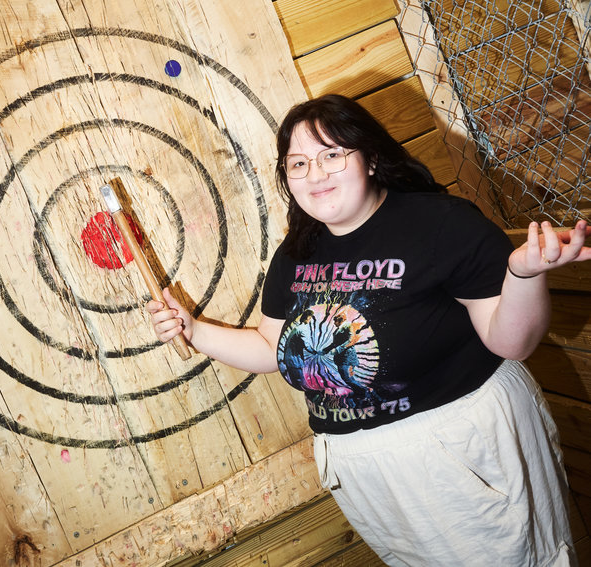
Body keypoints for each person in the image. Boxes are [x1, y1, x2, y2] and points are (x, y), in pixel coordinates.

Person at [147, 94, 590, 566]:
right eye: (297, 163)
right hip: (363, 470)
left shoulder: (442, 224)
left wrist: (524, 275)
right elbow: (270, 347)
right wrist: (191, 329)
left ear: (371, 157)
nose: (314, 174)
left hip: (462, 448)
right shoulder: (296, 253)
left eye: (332, 154)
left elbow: (511, 342)